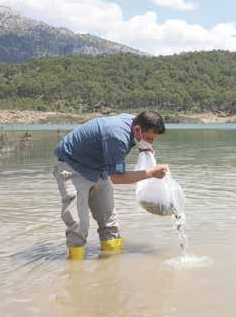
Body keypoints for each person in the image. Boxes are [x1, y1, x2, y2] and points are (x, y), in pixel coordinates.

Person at [53, 111, 169, 260]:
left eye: (153, 140)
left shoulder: (134, 123)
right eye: (148, 139)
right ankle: (75, 269)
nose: (151, 143)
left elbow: (116, 167)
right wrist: (150, 173)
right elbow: (117, 178)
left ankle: (110, 268)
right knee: (79, 225)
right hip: (72, 166)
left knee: (109, 223)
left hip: (99, 168)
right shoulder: (116, 136)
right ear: (138, 129)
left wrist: (143, 146)